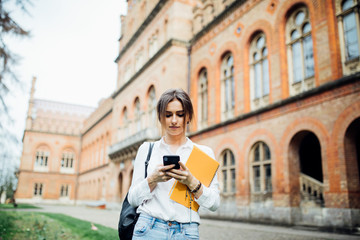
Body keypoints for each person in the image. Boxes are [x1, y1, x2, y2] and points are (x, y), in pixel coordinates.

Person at [128, 88, 220, 240]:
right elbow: (132, 199)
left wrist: (192, 182)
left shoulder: (204, 153)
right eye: (168, 115)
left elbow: (214, 204)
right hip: (149, 228)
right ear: (161, 117)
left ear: (188, 116)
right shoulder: (147, 150)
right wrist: (153, 179)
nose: (174, 120)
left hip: (187, 231)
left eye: (180, 114)